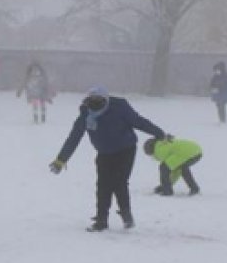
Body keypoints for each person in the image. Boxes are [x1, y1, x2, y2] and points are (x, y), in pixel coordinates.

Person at [49, 87, 169, 232]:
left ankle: (126, 215)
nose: (95, 104)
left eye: (99, 101)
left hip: (126, 149)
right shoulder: (86, 114)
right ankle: (101, 220)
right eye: (92, 101)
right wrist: (60, 160)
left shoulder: (119, 108)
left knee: (119, 182)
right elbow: (74, 138)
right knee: (103, 185)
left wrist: (160, 133)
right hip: (104, 153)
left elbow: (139, 122)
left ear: (106, 100)